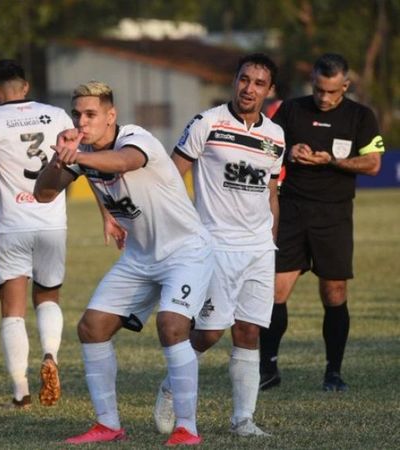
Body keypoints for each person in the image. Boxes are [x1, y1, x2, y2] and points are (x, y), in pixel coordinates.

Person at [34, 81, 214, 446]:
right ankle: (108, 424)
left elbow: (124, 162)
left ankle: (186, 428)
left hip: (185, 251)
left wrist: (78, 157)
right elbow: (44, 192)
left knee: (172, 325)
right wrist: (60, 157)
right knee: (92, 327)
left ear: (111, 116)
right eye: (77, 114)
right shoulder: (80, 149)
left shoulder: (135, 137)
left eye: (90, 114)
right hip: (140, 256)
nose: (82, 122)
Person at [153, 53, 285, 437]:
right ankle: (169, 387)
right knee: (209, 333)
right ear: (235, 81)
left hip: (259, 248)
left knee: (249, 332)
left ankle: (243, 419)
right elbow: (169, 176)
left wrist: (271, 235)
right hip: (216, 246)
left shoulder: (275, 135)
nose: (249, 88)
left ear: (269, 90)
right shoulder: (207, 122)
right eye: (245, 79)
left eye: (259, 83)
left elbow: (271, 189)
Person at [259, 53, 385, 392]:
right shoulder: (291, 110)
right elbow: (265, 150)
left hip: (334, 214)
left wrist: (332, 160)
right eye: (318, 90)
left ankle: (333, 372)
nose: (324, 98)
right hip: (291, 211)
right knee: (274, 290)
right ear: (311, 82)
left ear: (345, 86)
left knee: (334, 293)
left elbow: (373, 164)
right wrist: (290, 152)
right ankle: (267, 369)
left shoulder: (362, 116)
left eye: (331, 91)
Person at [0, 60, 74, 408]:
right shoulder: (59, 115)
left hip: (13, 225)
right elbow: (75, 167)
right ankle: (50, 355)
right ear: (26, 86)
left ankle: (21, 391)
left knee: (12, 311)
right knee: (48, 298)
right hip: (51, 223)